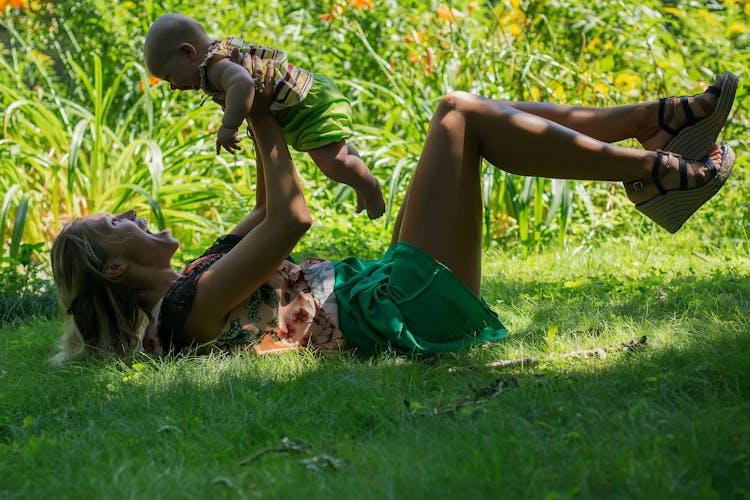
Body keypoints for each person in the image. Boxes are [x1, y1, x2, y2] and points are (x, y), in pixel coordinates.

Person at [50, 61, 737, 362]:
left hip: (382, 289)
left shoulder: (198, 271)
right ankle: (656, 169)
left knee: (459, 110)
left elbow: (264, 204)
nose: (134, 217)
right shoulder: (186, 312)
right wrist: (258, 103)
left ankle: (655, 127)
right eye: (119, 225)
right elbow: (291, 220)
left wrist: (255, 99)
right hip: (405, 311)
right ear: (113, 265)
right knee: (458, 115)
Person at [143, 13, 385, 219]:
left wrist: (229, 126)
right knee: (337, 156)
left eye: (168, 77)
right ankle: (362, 184)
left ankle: (371, 188)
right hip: (301, 109)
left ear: (188, 51)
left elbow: (243, 83)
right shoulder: (216, 59)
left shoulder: (216, 66)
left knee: (333, 162)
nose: (173, 87)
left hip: (310, 106)